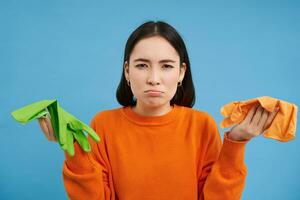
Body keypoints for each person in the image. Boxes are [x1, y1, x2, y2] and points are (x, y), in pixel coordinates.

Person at [38, 20, 279, 200]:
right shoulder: (103, 124)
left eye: (166, 66)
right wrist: (75, 150)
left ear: (181, 72)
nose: (154, 79)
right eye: (142, 65)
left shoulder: (201, 125)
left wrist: (235, 143)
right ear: (127, 71)